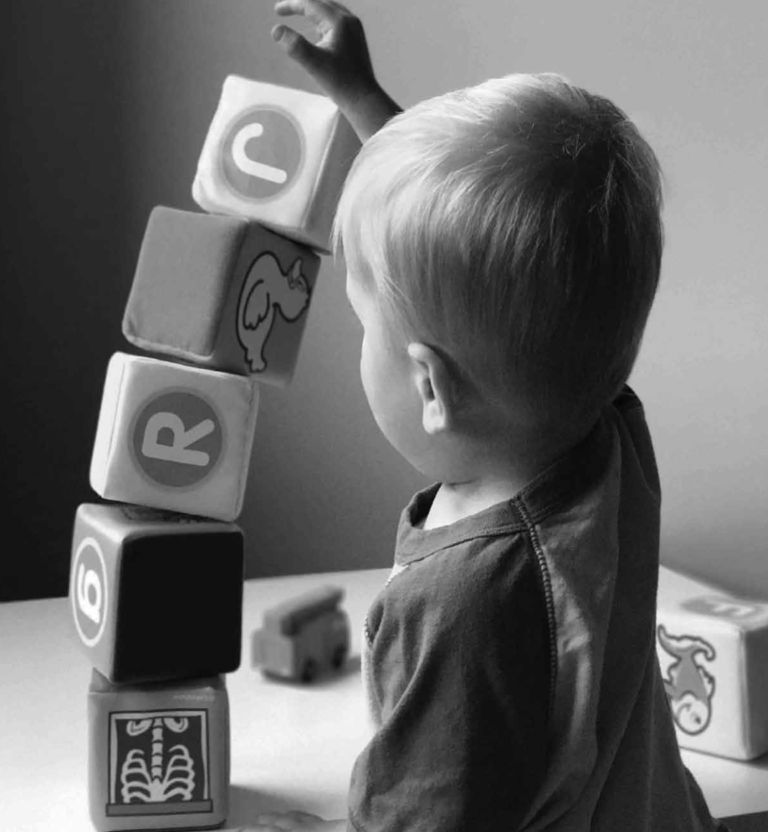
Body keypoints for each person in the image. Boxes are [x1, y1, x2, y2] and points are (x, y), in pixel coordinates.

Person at [248, 1, 728, 829]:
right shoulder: (603, 431)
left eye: (368, 326)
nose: (362, 340)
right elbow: (513, 275)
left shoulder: (462, 603)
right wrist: (365, 103)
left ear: (431, 388)